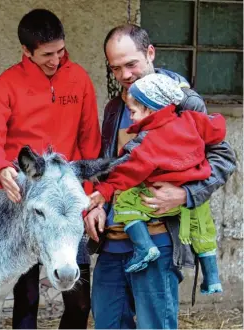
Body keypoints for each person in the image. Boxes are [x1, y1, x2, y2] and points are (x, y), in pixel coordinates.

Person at [84, 24, 236, 329]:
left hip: (158, 237)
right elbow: (111, 166)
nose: (124, 75)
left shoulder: (182, 100)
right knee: (107, 322)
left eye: (131, 64)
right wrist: (96, 205)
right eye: (115, 68)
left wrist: (186, 195)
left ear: (150, 53)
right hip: (113, 239)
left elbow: (224, 158)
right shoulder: (116, 107)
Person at [0, 9, 101, 329]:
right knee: (26, 296)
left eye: (60, 51)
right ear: (26, 52)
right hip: (24, 199)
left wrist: (88, 200)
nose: (56, 60)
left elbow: (90, 143)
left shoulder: (80, 79)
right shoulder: (6, 84)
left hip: (67, 201)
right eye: (46, 54)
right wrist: (0, 169)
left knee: (79, 299)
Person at [88, 73, 225, 295]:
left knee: (125, 201)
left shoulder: (150, 140)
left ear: (150, 111)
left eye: (133, 112)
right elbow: (216, 128)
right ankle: (212, 278)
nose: (131, 118)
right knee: (203, 230)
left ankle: (144, 247)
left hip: (162, 193)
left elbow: (127, 171)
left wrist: (105, 190)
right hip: (194, 188)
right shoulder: (190, 119)